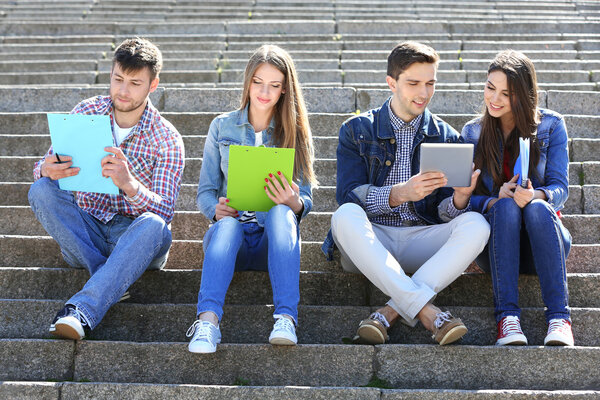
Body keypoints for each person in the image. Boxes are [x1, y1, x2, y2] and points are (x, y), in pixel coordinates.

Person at [322, 41, 490, 346]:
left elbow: (442, 212)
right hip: (370, 242)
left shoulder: (446, 136)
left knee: (477, 224)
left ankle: (389, 312)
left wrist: (460, 198)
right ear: (391, 83)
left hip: (421, 241)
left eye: (430, 83)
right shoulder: (356, 130)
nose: (423, 93)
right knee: (344, 214)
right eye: (413, 83)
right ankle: (429, 313)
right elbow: (348, 195)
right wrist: (398, 194)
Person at [28, 38, 185, 340]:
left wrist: (130, 185)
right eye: (117, 79)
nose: (123, 91)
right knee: (41, 190)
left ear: (153, 85)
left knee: (155, 224)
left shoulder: (167, 137)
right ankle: (110, 277)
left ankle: (82, 311)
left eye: (135, 83)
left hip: (135, 240)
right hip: (86, 235)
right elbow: (45, 166)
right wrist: (46, 168)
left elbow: (165, 211)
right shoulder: (86, 110)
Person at [186, 45, 316, 354]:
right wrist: (215, 211)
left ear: (285, 89)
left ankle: (286, 318)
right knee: (228, 225)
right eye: (258, 81)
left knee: (282, 214)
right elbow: (205, 191)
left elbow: (307, 199)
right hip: (232, 242)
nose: (264, 91)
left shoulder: (296, 133)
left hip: (273, 242)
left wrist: (294, 203)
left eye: (274, 84)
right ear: (248, 81)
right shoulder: (222, 126)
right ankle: (207, 323)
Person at [459, 50, 573, 346]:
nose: (494, 99)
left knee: (535, 207)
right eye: (489, 87)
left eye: (506, 93)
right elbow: (458, 201)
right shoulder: (472, 132)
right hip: (497, 248)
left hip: (544, 244)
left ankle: (559, 318)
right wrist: (492, 199)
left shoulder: (551, 125)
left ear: (523, 95)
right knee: (506, 206)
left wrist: (536, 193)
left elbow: (561, 189)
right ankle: (507, 320)